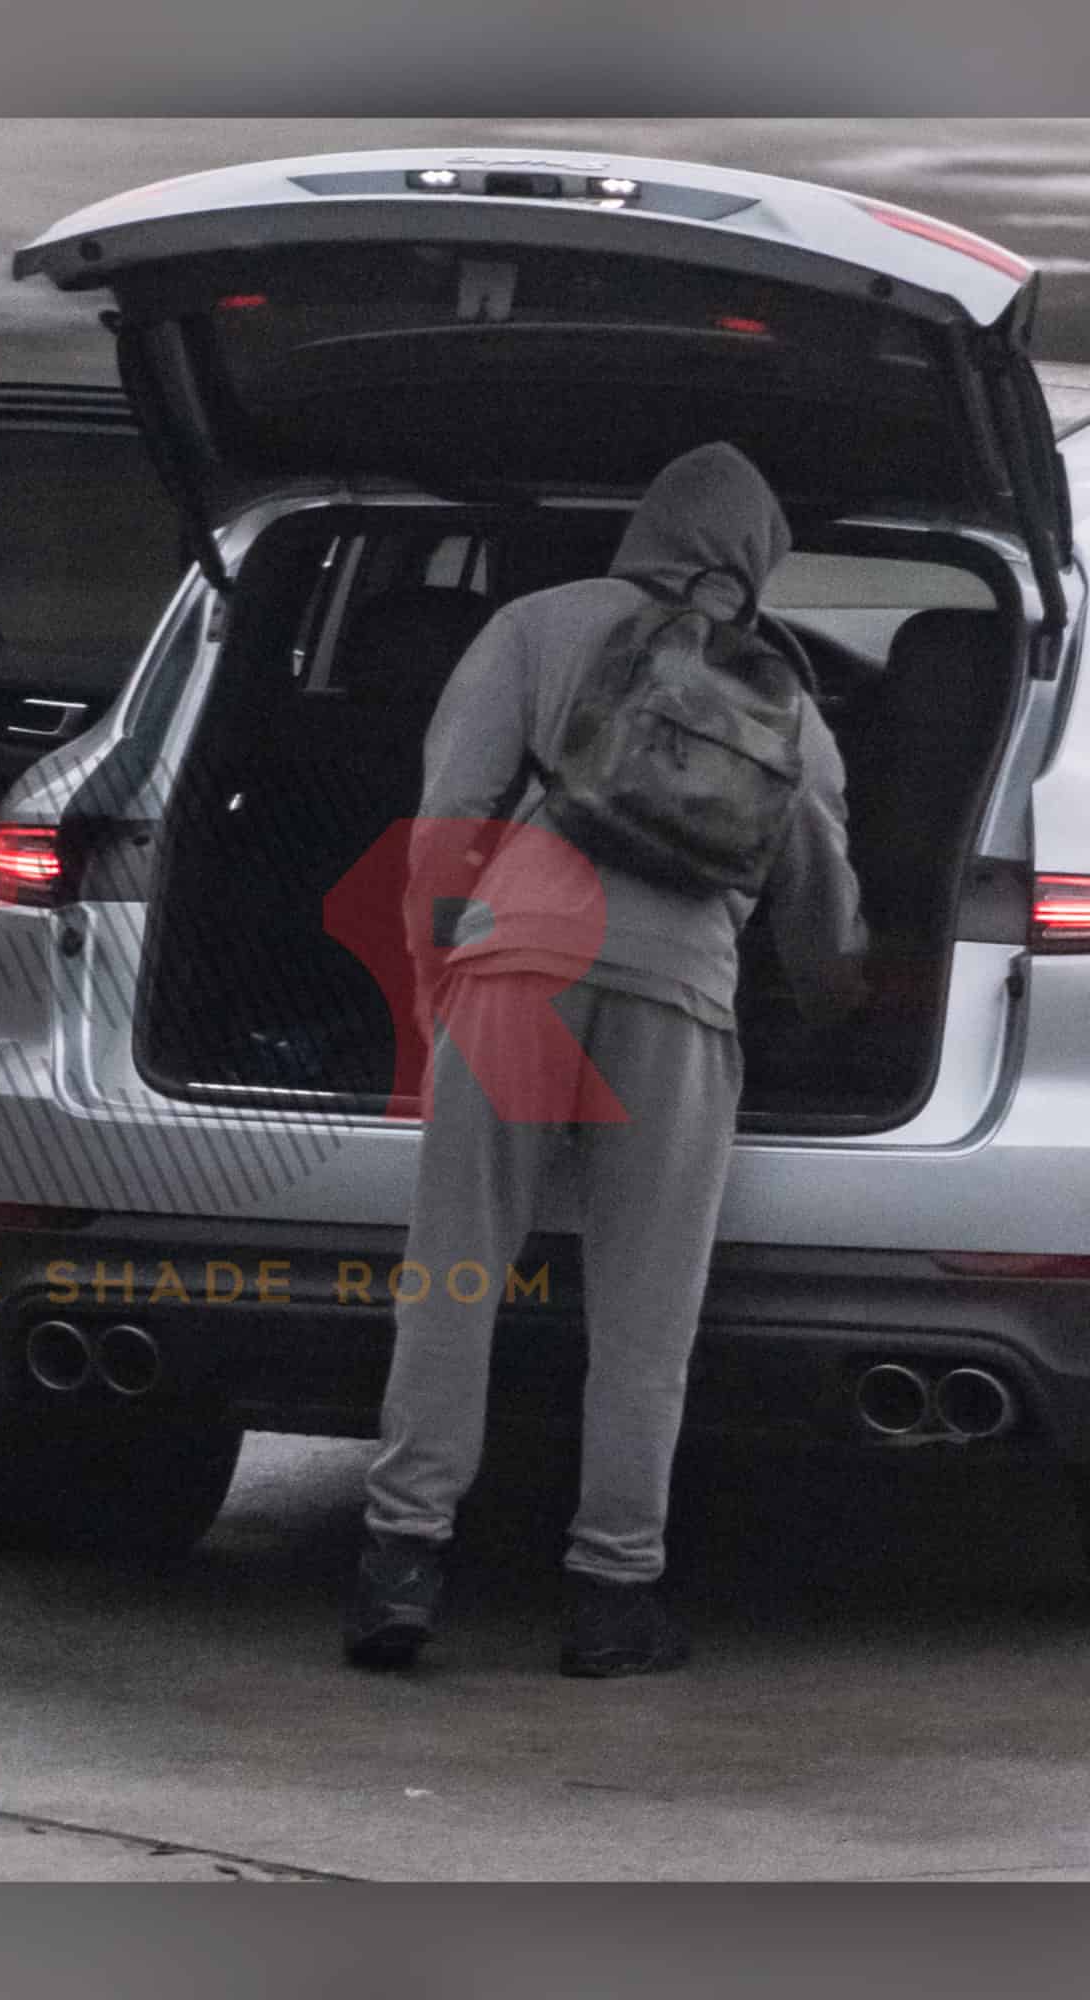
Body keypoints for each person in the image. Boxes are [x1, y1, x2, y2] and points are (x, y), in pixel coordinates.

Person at [344, 442, 867, 1679]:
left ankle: (400, 1564)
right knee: (644, 1313)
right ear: (754, 562)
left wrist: (434, 975)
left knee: (454, 1271)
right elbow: (817, 901)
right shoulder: (780, 694)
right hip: (677, 994)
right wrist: (840, 1011)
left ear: (645, 528)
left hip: (515, 964)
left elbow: (448, 817)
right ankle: (610, 1594)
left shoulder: (535, 625)